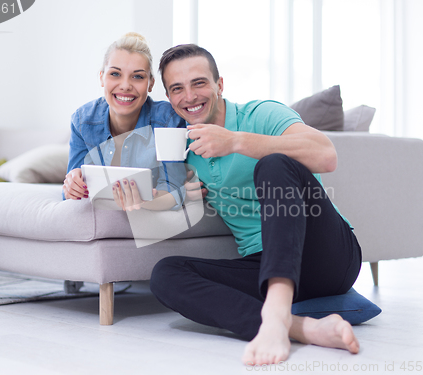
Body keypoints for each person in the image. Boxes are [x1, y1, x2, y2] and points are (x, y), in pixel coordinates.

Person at [149, 44, 362, 365]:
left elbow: (326, 155)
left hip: (327, 257)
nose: (189, 96)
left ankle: (277, 313)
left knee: (274, 163)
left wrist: (235, 141)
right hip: (262, 265)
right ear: (169, 98)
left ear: (220, 85)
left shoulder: (260, 114)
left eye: (199, 83)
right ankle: (302, 328)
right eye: (177, 89)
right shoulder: (184, 147)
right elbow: (162, 192)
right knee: (165, 274)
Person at [63, 32, 186, 211]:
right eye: (115, 74)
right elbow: (71, 194)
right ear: (101, 78)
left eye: (137, 76)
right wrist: (72, 186)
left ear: (151, 83)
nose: (125, 85)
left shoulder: (168, 120)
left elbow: (175, 188)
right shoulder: (83, 121)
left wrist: (148, 202)